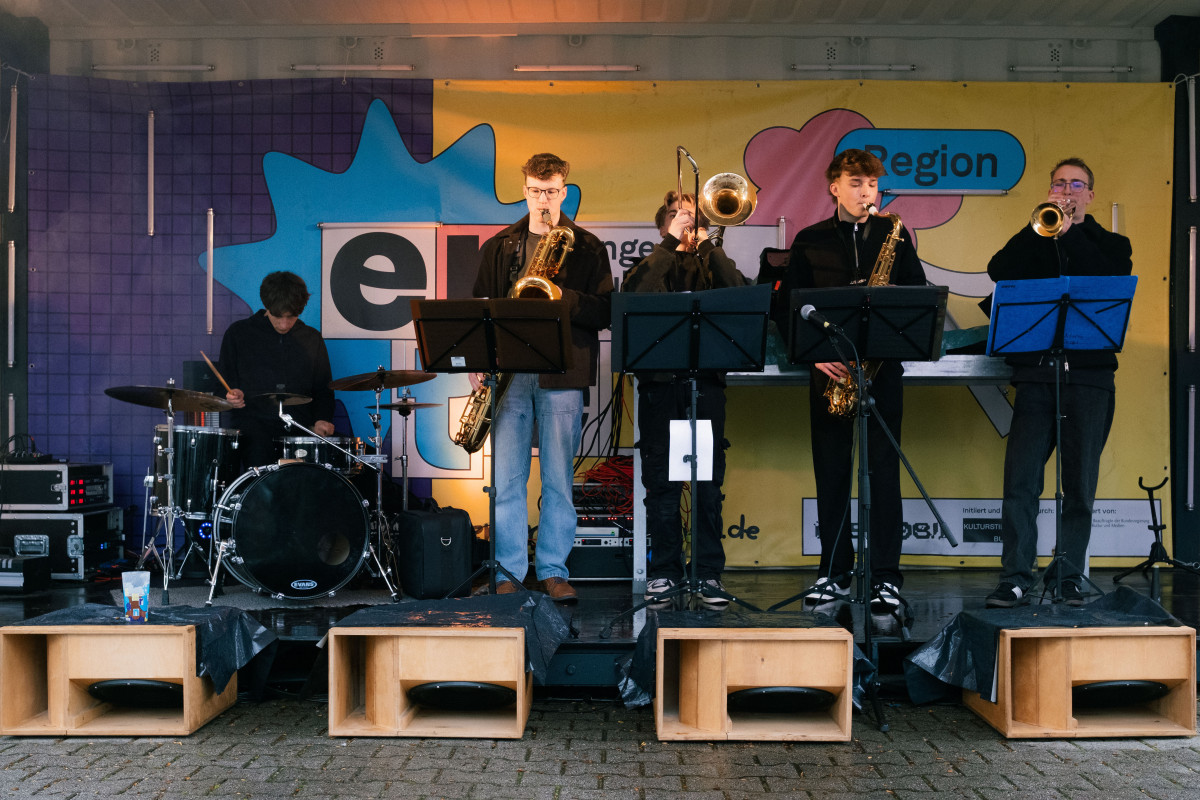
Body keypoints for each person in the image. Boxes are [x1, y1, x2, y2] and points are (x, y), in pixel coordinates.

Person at [779, 148, 926, 613]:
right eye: (857, 183)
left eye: (872, 185)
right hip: (832, 372)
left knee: (884, 474)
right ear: (834, 187)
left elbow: (919, 298)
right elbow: (787, 308)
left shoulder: (895, 236)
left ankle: (886, 578)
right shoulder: (809, 240)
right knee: (833, 473)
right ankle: (834, 573)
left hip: (882, 371)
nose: (866, 193)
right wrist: (812, 355)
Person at [984, 158, 1133, 608]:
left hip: (1089, 379)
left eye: (1076, 184)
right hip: (1035, 376)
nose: (1067, 190)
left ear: (1090, 195)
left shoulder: (1112, 243)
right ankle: (1014, 577)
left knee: (1079, 486)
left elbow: (1111, 279)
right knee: (1021, 482)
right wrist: (1040, 230)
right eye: (1059, 183)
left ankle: (1068, 576)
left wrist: (1072, 233)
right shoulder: (1034, 235)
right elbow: (998, 269)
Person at [472, 153, 614, 603]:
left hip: (562, 372)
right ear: (525, 190)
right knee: (507, 478)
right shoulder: (500, 246)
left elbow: (604, 312)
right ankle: (509, 572)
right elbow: (480, 306)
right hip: (510, 374)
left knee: (557, 479)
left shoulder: (587, 247)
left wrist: (561, 295)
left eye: (551, 191)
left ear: (565, 191)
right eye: (535, 191)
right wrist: (480, 358)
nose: (542, 200)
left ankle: (553, 569)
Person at [622, 191, 749, 607]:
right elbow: (637, 293)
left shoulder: (712, 263)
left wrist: (707, 244)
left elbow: (737, 291)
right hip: (661, 389)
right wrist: (670, 246)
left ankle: (709, 573)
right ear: (662, 226)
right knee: (663, 484)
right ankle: (664, 573)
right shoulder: (650, 263)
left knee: (708, 486)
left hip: (706, 386)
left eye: (692, 217)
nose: (685, 222)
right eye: (676, 216)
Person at [219, 271, 336, 472]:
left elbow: (323, 389)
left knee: (302, 487)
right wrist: (230, 395)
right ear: (266, 306)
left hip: (301, 429)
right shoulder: (239, 334)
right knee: (263, 488)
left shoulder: (311, 338)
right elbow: (222, 383)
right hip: (253, 431)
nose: (284, 324)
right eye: (277, 316)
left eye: (291, 317)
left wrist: (321, 419)